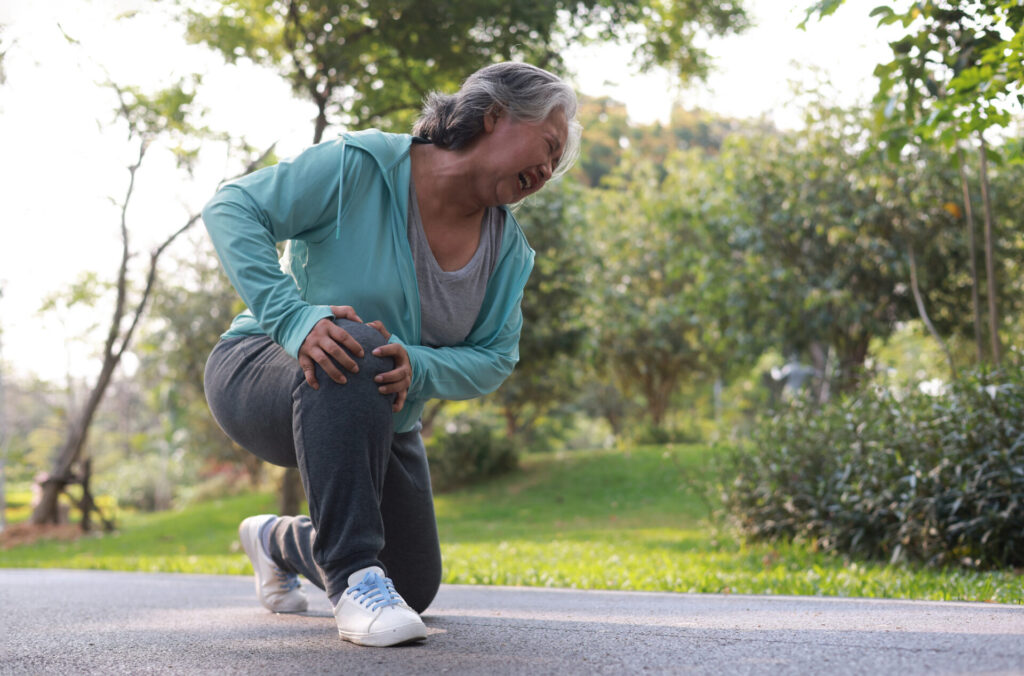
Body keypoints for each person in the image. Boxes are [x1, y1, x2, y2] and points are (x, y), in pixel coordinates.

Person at [201, 61, 582, 648]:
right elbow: (231, 207)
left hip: (380, 405)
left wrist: (421, 365)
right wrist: (293, 318)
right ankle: (353, 580)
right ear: (495, 115)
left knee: (414, 583)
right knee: (362, 344)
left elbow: (496, 355)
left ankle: (278, 539)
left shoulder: (509, 251)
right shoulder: (363, 166)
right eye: (549, 145)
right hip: (261, 367)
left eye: (559, 161)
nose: (550, 168)